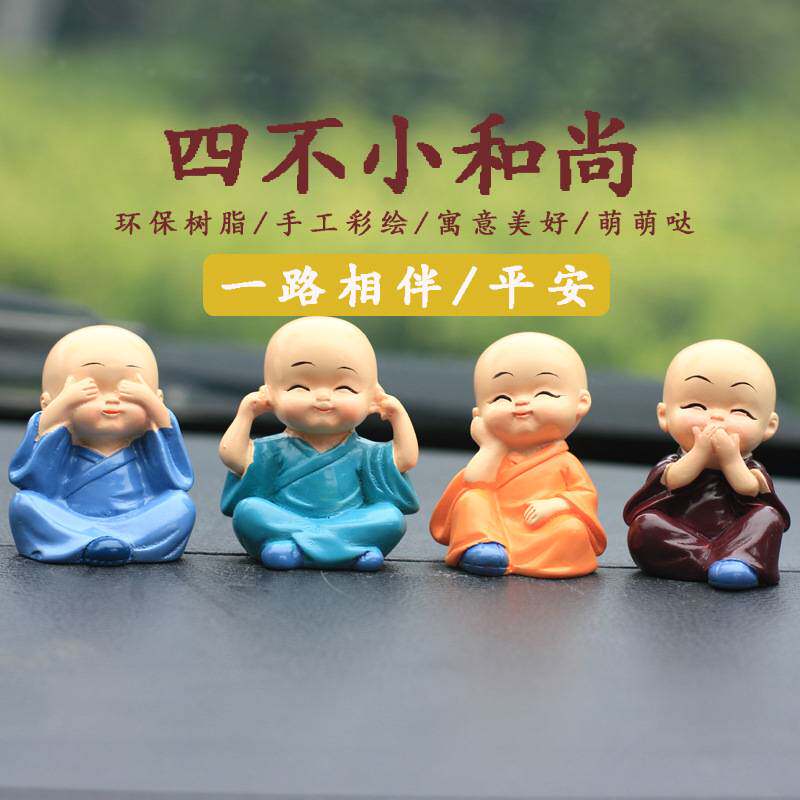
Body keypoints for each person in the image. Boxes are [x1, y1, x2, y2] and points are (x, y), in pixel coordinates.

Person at [219, 316, 419, 571]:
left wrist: (398, 416)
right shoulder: (275, 449)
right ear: (270, 394)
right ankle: (348, 549)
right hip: (291, 517)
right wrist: (246, 413)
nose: (323, 397)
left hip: (340, 520)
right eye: (300, 386)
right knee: (249, 510)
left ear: (372, 398)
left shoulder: (363, 453)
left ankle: (296, 546)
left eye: (344, 388)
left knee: (390, 517)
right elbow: (233, 457)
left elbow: (405, 459)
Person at [8, 325, 195, 565]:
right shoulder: (58, 439)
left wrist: (154, 410)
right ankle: (85, 543)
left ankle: (123, 544)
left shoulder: (148, 443)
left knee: (180, 505)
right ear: (48, 403)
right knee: (26, 504)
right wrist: (60, 410)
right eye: (91, 390)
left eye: (129, 391)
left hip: (137, 520)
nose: (111, 400)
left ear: (157, 399)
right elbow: (32, 479)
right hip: (69, 519)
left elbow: (176, 480)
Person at [430, 332, 606, 578]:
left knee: (573, 529)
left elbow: (584, 495)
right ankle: (482, 546)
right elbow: (476, 481)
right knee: (472, 499)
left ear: (581, 402)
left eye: (544, 394)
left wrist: (554, 505)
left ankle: (546, 558)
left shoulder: (564, 462)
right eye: (502, 397)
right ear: (479, 412)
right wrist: (491, 447)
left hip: (542, 527)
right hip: (493, 524)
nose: (521, 403)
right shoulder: (495, 453)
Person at [624, 339, 789, 590]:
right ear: (664, 415)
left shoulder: (752, 469)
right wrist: (699, 453)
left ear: (769, 426)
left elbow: (747, 488)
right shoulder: (673, 464)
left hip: (737, 532)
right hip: (683, 532)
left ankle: (732, 557)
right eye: (696, 406)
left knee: (768, 517)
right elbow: (676, 480)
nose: (716, 416)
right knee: (645, 526)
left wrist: (731, 459)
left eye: (740, 411)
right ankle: (724, 561)